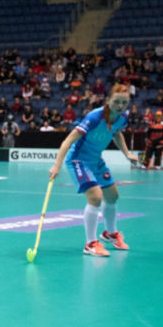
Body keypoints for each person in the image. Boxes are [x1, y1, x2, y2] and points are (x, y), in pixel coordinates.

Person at [49, 84, 139, 258]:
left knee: (112, 196)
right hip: (78, 160)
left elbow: (116, 133)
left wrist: (127, 153)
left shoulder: (121, 118)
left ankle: (109, 234)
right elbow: (67, 142)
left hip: (96, 160)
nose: (120, 106)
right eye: (116, 102)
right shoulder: (94, 117)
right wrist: (56, 165)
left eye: (124, 102)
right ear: (108, 100)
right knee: (96, 197)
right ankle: (90, 243)